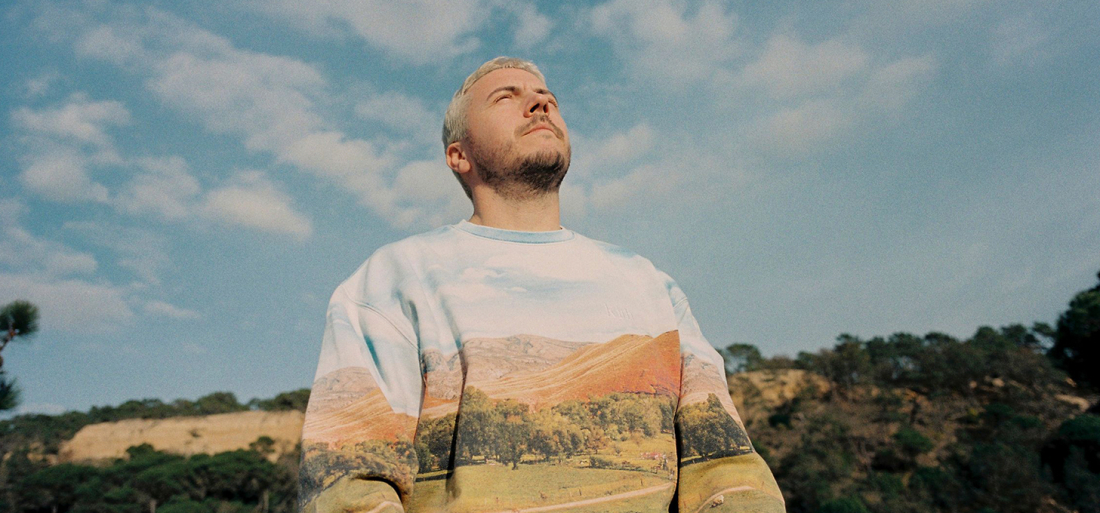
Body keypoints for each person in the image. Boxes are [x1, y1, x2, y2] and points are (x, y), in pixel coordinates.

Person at [299, 57, 785, 513]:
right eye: (505, 97)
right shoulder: (392, 280)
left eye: (547, 96)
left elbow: (726, 470)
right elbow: (349, 484)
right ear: (458, 155)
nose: (540, 103)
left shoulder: (651, 284)